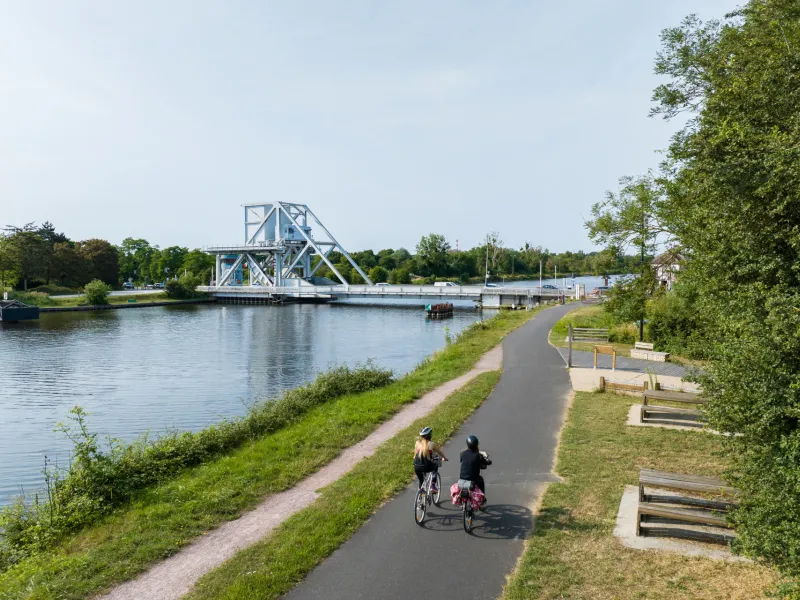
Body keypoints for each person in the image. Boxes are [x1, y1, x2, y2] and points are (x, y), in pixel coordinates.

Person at [459, 434, 491, 501]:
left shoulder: (462, 453)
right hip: (473, 478)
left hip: (462, 477)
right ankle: (482, 498)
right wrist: (489, 462)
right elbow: (486, 462)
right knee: (481, 480)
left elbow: (462, 460)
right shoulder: (478, 455)